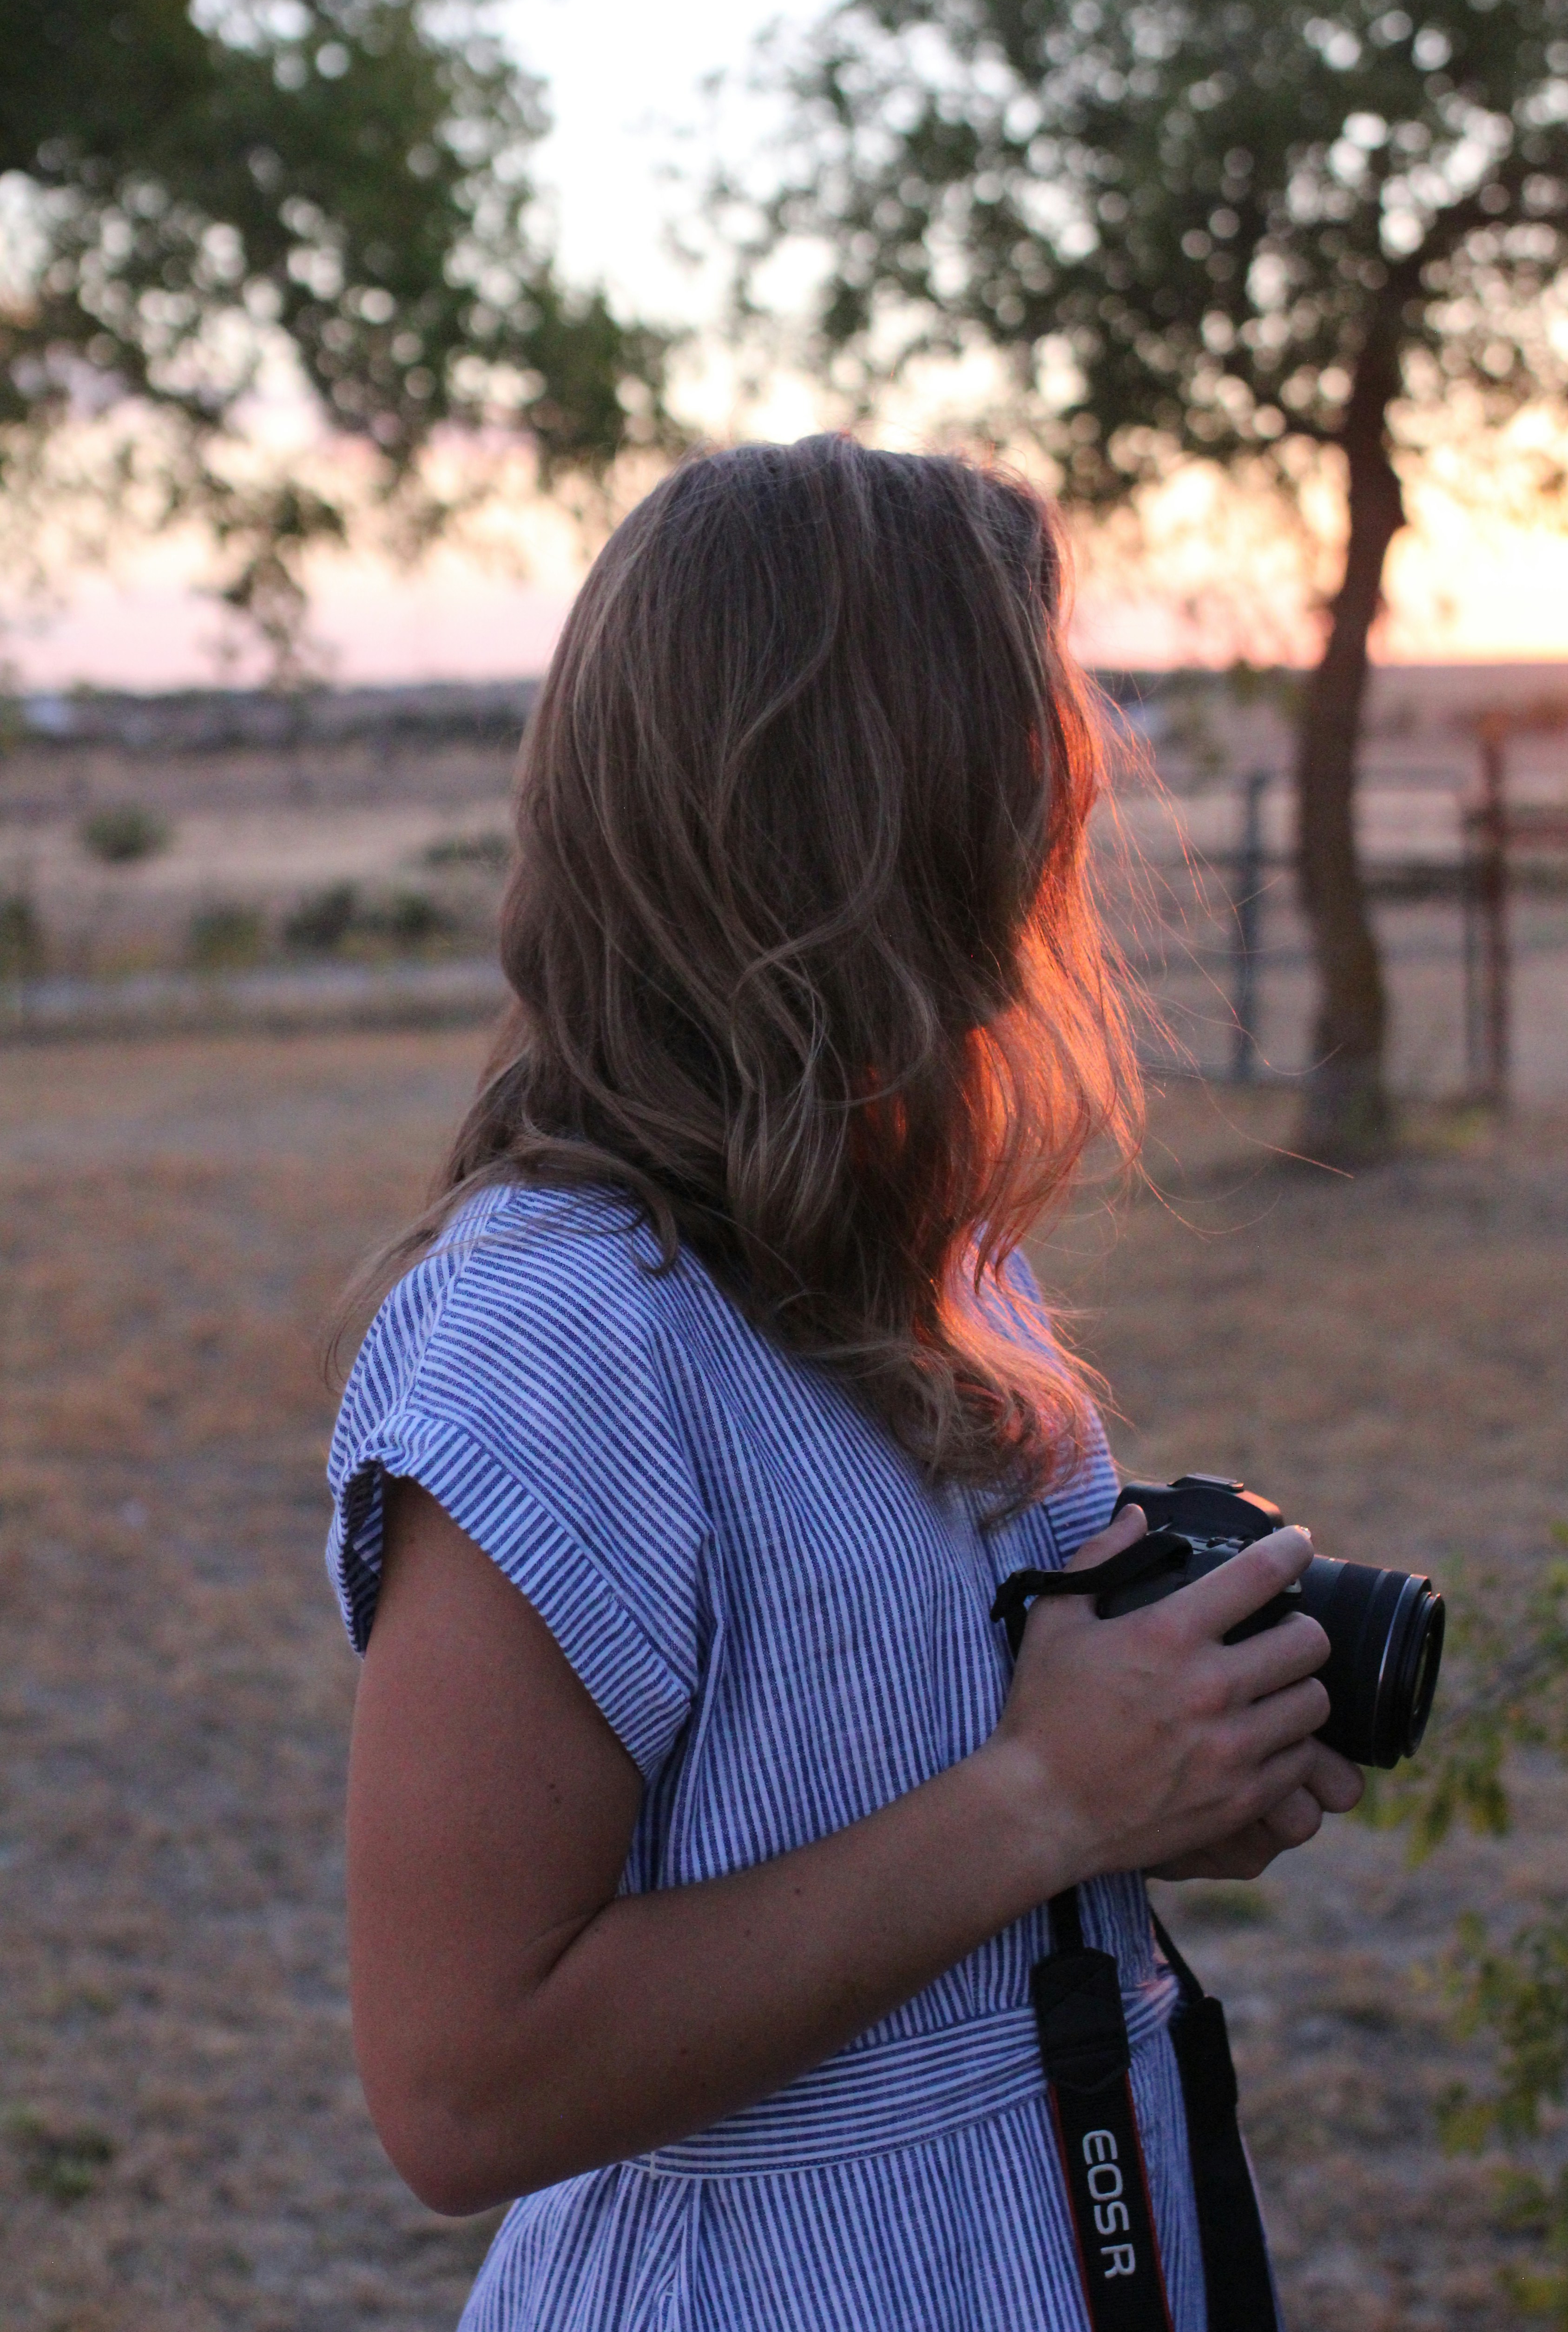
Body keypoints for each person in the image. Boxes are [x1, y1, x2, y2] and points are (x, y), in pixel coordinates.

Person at [326, 435, 1364, 2332]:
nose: (1081, 763)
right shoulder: (562, 1339)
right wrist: (1045, 1801)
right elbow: (459, 2086)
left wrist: (1160, 1776)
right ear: (871, 803)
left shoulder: (941, 1251)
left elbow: (906, 1812)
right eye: (1026, 714)